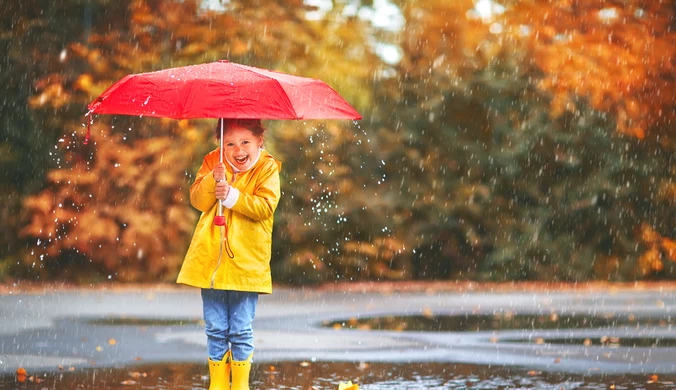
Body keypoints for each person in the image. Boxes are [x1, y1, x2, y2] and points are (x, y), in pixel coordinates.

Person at [177, 118, 282, 390]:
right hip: (212, 260)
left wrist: (232, 196)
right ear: (220, 144)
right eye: (229, 144)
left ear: (259, 139)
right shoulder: (214, 162)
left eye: (245, 142)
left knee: (240, 328)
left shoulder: (267, 167)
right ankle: (218, 385)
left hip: (245, 262)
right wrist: (214, 180)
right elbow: (198, 201)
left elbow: (265, 207)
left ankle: (241, 386)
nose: (238, 150)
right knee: (215, 327)